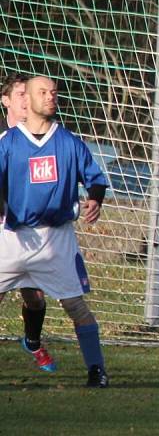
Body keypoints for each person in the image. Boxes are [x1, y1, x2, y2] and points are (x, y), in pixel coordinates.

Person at [0, 75, 110, 388]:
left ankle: (97, 371)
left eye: (53, 92)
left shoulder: (69, 142)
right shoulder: (8, 143)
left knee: (76, 307)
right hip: (13, 239)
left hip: (56, 238)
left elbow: (96, 178)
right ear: (28, 100)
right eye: (42, 92)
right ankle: (33, 342)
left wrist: (95, 199)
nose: (50, 97)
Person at [0, 73, 55, 373]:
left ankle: (32, 341)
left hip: (30, 231)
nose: (26, 100)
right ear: (5, 100)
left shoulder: (41, 137)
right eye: (19, 94)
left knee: (34, 297)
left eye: (28, 94)